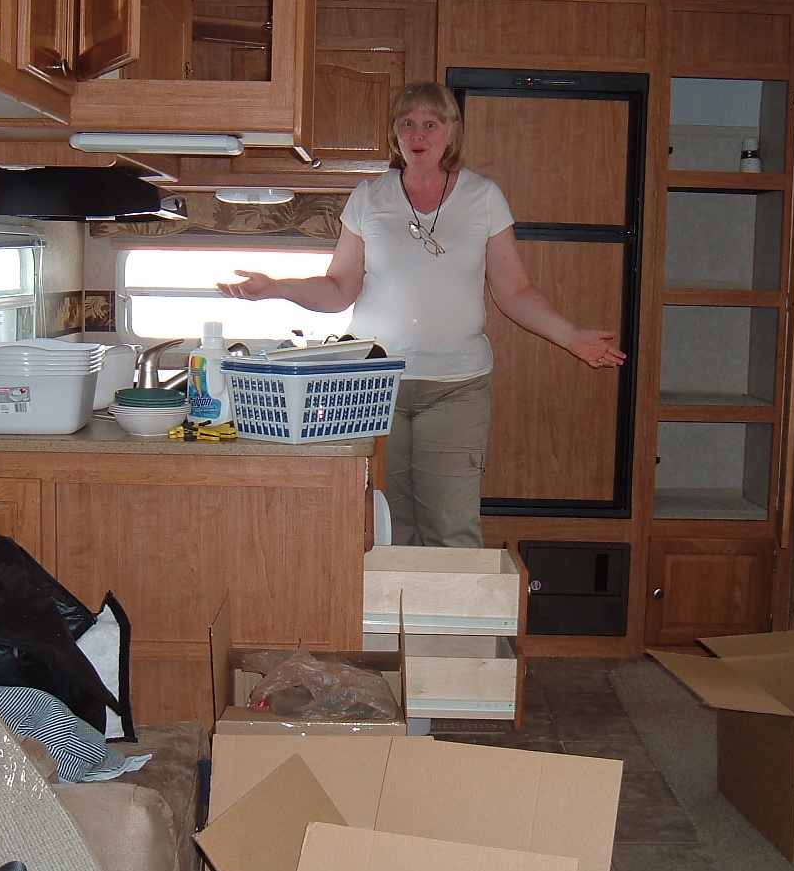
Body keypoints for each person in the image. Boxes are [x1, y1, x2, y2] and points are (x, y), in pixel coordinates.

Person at [218, 81, 625, 547]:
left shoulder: (483, 197)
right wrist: (277, 287)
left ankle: (445, 623)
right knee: (384, 529)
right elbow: (337, 290)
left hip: (455, 388)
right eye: (407, 122)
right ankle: (391, 622)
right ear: (395, 133)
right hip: (373, 387)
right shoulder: (369, 197)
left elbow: (515, 292)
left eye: (431, 124)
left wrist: (571, 337)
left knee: (451, 528)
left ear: (452, 132)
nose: (419, 134)